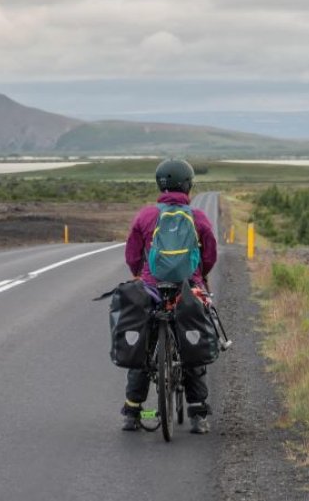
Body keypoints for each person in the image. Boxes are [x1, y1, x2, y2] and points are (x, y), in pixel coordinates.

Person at [121, 158, 218, 434]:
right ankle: (198, 413)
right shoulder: (197, 217)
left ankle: (132, 411)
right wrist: (199, 277)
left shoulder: (145, 216)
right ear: (188, 185)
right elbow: (209, 255)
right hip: (187, 287)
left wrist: (141, 276)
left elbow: (132, 255)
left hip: (152, 287)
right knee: (192, 340)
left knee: (144, 343)